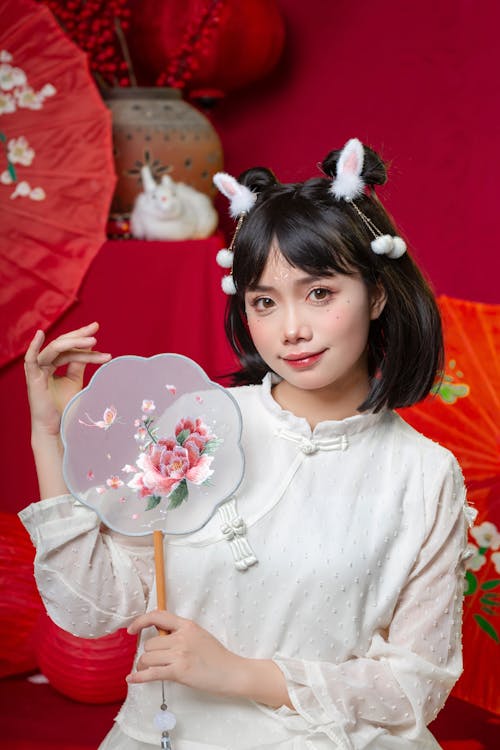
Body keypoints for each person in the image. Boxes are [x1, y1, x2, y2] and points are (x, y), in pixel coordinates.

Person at [20, 138, 473, 750]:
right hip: (167, 736)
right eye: (265, 301)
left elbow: (415, 685)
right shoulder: (195, 426)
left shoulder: (424, 474)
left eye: (320, 293)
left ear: (378, 293)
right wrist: (51, 433)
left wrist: (239, 674)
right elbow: (94, 610)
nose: (292, 330)